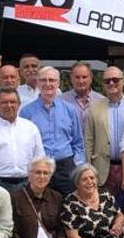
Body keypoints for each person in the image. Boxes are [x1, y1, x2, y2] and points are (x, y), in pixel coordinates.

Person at [21, 66, 85, 196]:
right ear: (38, 83)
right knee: (41, 204)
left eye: (52, 80)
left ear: (58, 83)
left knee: (69, 203)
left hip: (65, 166)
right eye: (43, 80)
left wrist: (76, 165)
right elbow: (22, 144)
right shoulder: (26, 112)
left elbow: (78, 141)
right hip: (40, 167)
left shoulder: (70, 110)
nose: (48, 84)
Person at [84, 66, 124, 200]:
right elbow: (88, 141)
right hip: (103, 169)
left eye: (115, 80)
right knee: (104, 210)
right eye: (107, 81)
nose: (111, 83)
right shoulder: (94, 108)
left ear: (123, 81)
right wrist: (88, 169)